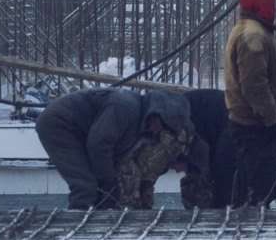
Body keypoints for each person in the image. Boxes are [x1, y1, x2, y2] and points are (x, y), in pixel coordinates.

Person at [33, 87, 192, 209]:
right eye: (163, 125)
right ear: (156, 114)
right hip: (60, 126)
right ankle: (77, 226)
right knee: (85, 186)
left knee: (99, 189)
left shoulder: (140, 120)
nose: (159, 131)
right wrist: (109, 181)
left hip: (80, 133)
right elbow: (98, 145)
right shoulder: (124, 108)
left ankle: (90, 222)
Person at [224, 0, 276, 206]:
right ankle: (251, 222)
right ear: (262, 3)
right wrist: (272, 119)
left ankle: (248, 219)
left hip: (251, 123)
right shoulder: (254, 35)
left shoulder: (247, 30)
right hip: (255, 125)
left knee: (253, 185)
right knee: (261, 190)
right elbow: (255, 85)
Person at [184, 87, 276, 209]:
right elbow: (224, 169)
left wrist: (265, 199)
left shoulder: (261, 129)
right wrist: (225, 207)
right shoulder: (240, 128)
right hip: (187, 118)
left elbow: (267, 171)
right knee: (203, 178)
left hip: (207, 125)